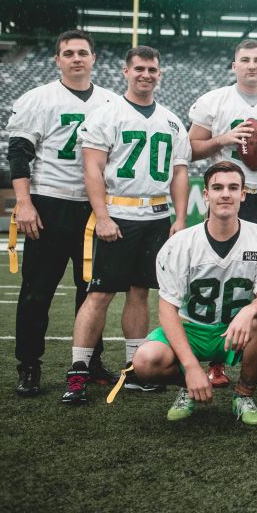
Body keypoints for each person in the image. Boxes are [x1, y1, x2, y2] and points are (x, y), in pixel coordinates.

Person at [66, 45, 191, 404]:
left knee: (140, 292)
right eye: (139, 69)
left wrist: (180, 217)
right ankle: (78, 370)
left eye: (152, 69)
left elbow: (179, 172)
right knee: (100, 293)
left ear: (160, 74)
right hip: (118, 215)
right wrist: (102, 216)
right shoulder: (107, 114)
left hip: (156, 216)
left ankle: (134, 368)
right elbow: (92, 169)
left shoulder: (171, 120)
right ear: (125, 72)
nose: (146, 75)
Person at [7, 30, 118, 395]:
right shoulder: (38, 98)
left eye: (82, 52)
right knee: (38, 290)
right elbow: (19, 154)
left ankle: (89, 361)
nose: (76, 58)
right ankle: (29, 365)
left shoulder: (111, 101)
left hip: (94, 207)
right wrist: (24, 202)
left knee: (92, 291)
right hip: (50, 203)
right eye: (68, 53)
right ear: (57, 59)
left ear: (93, 58)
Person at [128, 162, 257, 426]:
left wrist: (249, 310)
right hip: (192, 329)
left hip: (236, 331)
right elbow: (167, 309)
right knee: (145, 360)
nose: (225, 194)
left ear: (243, 194)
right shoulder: (180, 244)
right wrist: (191, 367)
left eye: (233, 188)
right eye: (217, 187)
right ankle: (188, 385)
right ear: (206, 194)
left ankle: (243, 394)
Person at [187, 38, 257, 387]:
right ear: (234, 65)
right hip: (226, 197)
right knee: (222, 277)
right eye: (245, 60)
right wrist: (223, 139)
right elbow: (191, 149)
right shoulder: (213, 100)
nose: (252, 65)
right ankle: (217, 361)